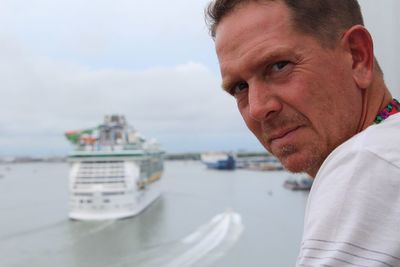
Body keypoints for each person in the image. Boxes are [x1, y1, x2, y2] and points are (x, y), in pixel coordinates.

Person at [205, 0, 400, 266]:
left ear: (357, 57)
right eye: (239, 87)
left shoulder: (365, 161)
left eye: (279, 66)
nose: (258, 108)